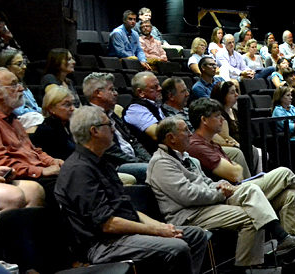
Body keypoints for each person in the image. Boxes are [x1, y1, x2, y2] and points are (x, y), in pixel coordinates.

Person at [146, 118, 295, 272]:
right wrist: (220, 193)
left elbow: (206, 183)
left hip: (209, 204)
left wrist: (220, 185)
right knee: (254, 212)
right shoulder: (161, 164)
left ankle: (292, 257)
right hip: (188, 214)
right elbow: (187, 196)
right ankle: (246, 266)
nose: (190, 133)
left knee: (289, 195)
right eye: (185, 130)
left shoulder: (189, 158)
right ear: (171, 138)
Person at [55, 106, 208, 273]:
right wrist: (156, 230)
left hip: (124, 235)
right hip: (103, 245)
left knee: (195, 235)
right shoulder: (79, 171)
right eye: (109, 124)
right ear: (95, 131)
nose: (114, 129)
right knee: (176, 247)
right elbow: (107, 224)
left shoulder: (102, 163)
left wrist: (162, 227)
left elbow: (128, 209)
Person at [187, 99, 295, 232]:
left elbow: (238, 172)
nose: (223, 120)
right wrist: (235, 166)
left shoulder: (213, 144)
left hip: (240, 190)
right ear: (204, 120)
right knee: (285, 172)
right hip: (229, 196)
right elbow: (236, 174)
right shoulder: (197, 145)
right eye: (217, 116)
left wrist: (235, 166)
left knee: (291, 195)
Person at [0, 68, 63, 207]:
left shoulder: (14, 120)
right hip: (21, 178)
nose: (21, 88)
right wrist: (41, 171)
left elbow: (34, 151)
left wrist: (53, 161)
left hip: (35, 173)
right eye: (14, 84)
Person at [83, 72, 152, 183]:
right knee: (154, 170)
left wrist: (150, 160)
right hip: (115, 165)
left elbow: (133, 141)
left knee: (163, 165)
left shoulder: (112, 114)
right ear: (98, 93)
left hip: (133, 161)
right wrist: (143, 163)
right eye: (111, 90)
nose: (116, 93)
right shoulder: (89, 117)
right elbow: (111, 152)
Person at [0, 50, 42, 130]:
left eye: (24, 63)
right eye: (19, 64)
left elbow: (35, 106)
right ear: (6, 67)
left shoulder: (22, 84)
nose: (24, 67)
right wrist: (38, 112)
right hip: (16, 121)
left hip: (32, 118)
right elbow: (19, 111)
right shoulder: (3, 87)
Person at [30, 87, 76, 161]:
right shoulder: (46, 131)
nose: (72, 108)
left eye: (73, 104)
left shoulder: (69, 125)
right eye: (67, 105)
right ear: (51, 108)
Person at [124, 72, 165, 153]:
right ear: (141, 92)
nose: (160, 88)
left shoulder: (155, 104)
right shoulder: (135, 109)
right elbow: (157, 134)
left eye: (159, 85)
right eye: (154, 87)